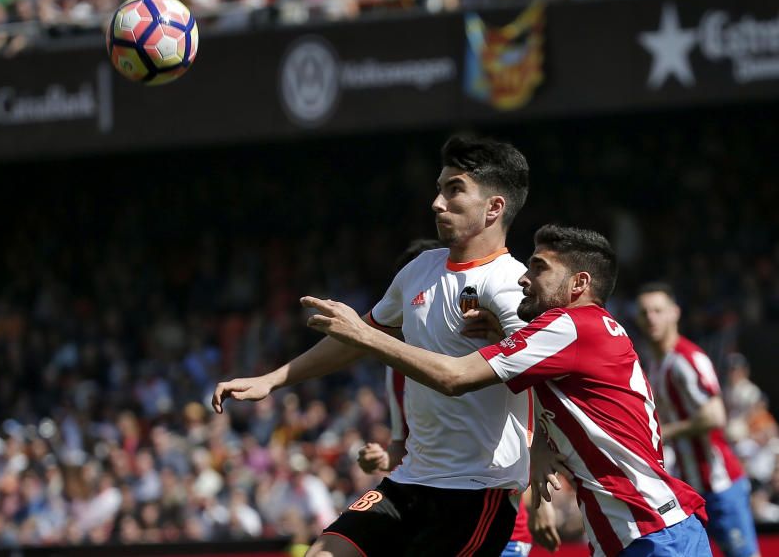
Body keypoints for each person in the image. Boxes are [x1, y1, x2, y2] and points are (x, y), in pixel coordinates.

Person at [295, 225, 710, 556]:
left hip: (651, 533)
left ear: (578, 283)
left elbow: (454, 377)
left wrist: (363, 335)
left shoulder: (569, 327)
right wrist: (542, 446)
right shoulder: (592, 330)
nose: (525, 278)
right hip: (640, 527)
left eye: (540, 268)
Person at [214, 136, 534, 556]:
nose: (437, 203)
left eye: (454, 189)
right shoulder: (420, 269)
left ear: (494, 207)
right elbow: (354, 343)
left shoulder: (512, 286)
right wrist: (271, 380)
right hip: (408, 481)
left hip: (476, 491)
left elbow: (518, 382)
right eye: (439, 188)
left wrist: (546, 466)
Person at [355, 238, 560, 556]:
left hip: (497, 501)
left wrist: (537, 503)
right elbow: (402, 447)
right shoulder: (395, 372)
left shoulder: (492, 343)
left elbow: (533, 409)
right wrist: (384, 459)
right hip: (428, 502)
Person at [636, 283, 761, 557]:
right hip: (692, 489)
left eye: (658, 310)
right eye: (645, 312)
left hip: (721, 485)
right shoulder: (656, 364)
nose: (651, 318)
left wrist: (665, 432)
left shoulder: (687, 358)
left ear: (675, 313)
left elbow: (716, 415)